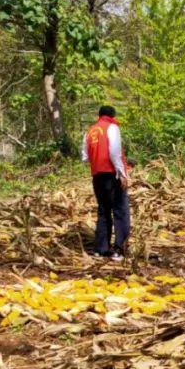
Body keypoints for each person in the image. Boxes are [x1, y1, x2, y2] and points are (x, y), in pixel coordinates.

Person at [81, 105, 130, 261]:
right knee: (120, 211)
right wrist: (122, 173)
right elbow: (114, 151)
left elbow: (84, 156)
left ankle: (100, 249)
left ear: (99, 115)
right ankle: (118, 250)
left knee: (103, 211)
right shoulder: (112, 127)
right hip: (111, 174)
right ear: (112, 115)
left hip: (97, 176)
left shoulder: (90, 131)